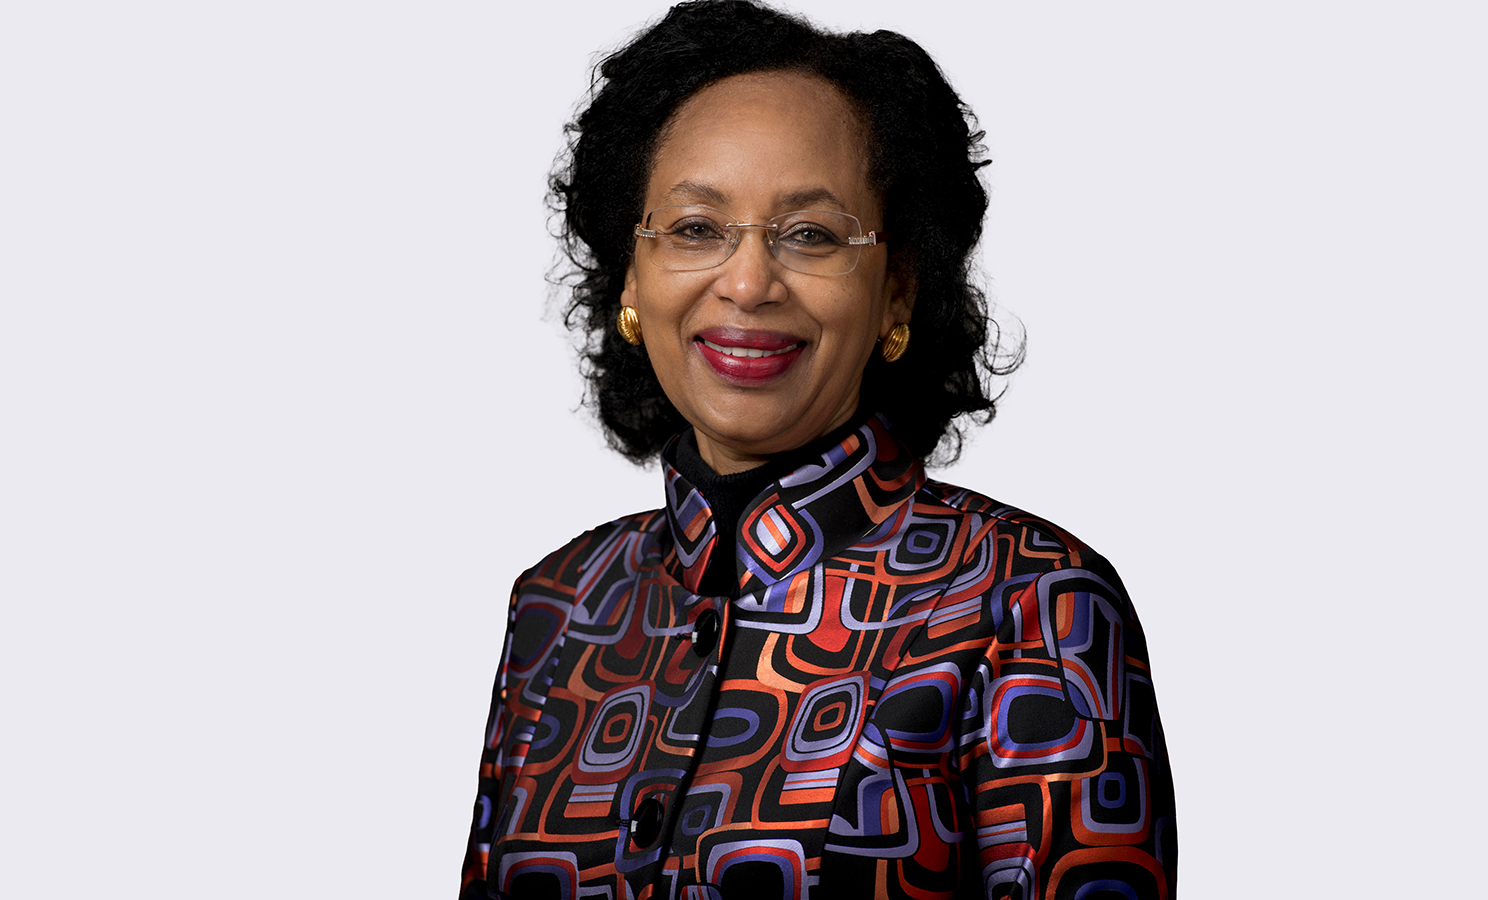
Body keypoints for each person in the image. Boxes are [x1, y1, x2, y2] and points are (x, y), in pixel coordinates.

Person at [460, 2, 1177, 897]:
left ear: (898, 291)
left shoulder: (1030, 604)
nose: (748, 282)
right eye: (695, 228)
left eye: (811, 235)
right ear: (631, 278)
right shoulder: (556, 606)